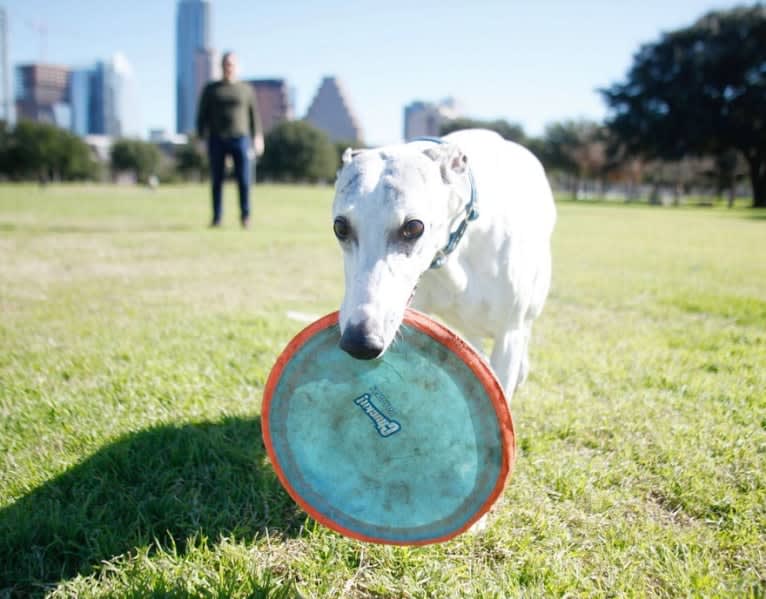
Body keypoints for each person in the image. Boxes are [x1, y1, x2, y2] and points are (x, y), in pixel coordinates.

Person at [196, 52, 264, 228]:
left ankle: (245, 216)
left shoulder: (245, 89)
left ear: (236, 66)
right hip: (216, 138)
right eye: (226, 64)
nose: (228, 67)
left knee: (244, 179)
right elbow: (202, 116)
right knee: (217, 180)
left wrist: (257, 137)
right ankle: (217, 217)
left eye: (231, 64)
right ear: (221, 66)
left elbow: (253, 115)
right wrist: (200, 138)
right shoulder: (211, 89)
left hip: (240, 138)